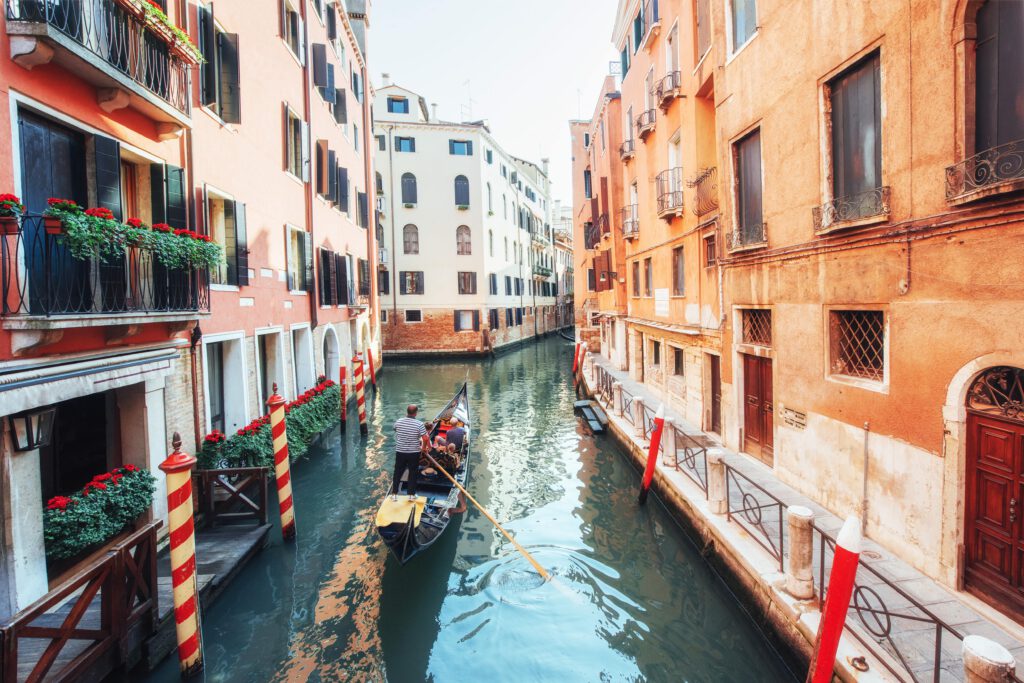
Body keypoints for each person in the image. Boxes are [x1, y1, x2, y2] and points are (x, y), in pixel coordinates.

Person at [393, 404, 430, 501]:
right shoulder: (419, 424)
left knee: (397, 472)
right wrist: (423, 448)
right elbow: (425, 438)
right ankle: (410, 495)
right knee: (413, 473)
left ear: (407, 412)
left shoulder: (398, 421)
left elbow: (395, 429)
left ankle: (394, 494)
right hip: (413, 453)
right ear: (416, 413)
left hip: (400, 451)